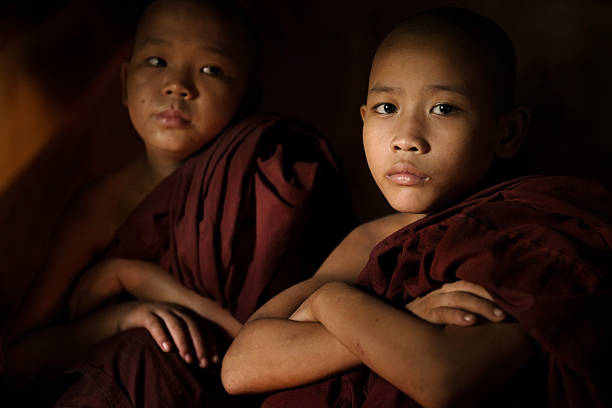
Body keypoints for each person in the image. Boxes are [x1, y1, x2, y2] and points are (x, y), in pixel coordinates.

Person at [221, 7, 612, 408]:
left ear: (507, 133)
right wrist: (400, 317)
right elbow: (240, 367)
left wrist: (330, 302)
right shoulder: (370, 239)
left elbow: (440, 377)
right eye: (386, 108)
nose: (406, 138)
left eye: (443, 108)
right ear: (363, 118)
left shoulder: (525, 235)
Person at [1, 2, 354, 404]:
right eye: (157, 60)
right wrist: (120, 318)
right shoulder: (99, 207)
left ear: (247, 97)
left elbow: (254, 339)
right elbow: (14, 356)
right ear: (124, 82)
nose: (178, 85)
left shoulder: (267, 177)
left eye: (211, 70)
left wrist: (135, 278)